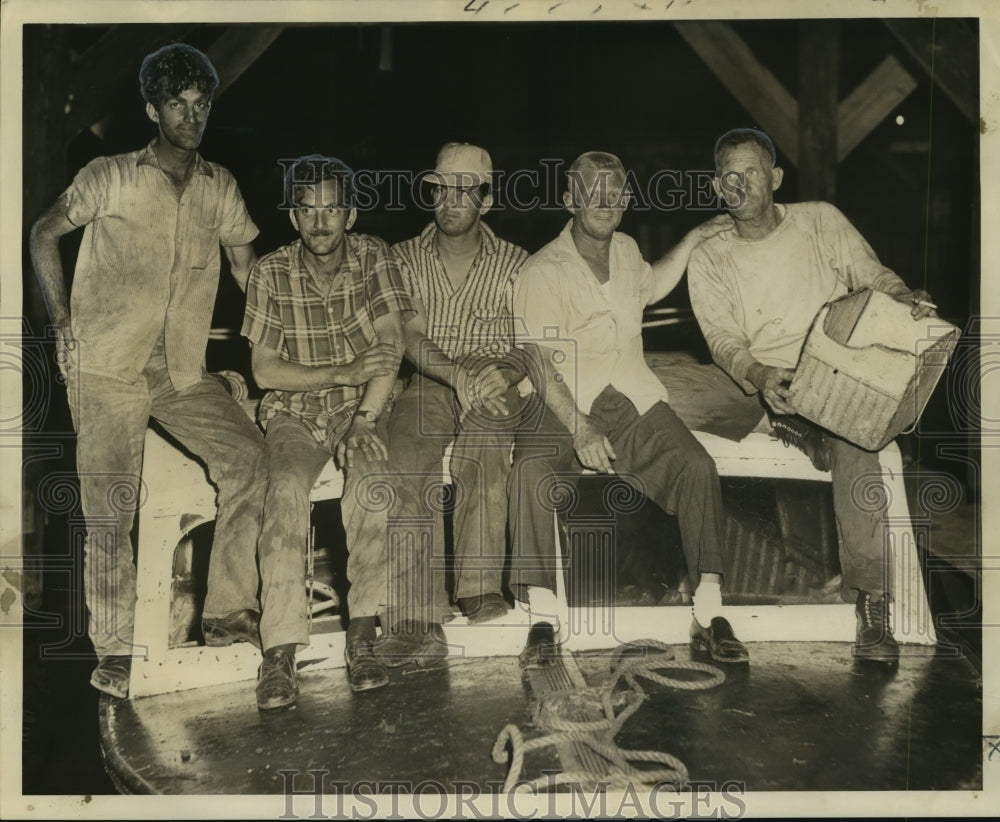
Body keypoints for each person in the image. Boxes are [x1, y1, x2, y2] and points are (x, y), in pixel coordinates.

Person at [29, 44, 267, 699]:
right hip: (106, 365)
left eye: (200, 104)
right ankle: (115, 650)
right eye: (176, 105)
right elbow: (43, 233)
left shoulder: (220, 187)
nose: (191, 117)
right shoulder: (109, 175)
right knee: (110, 511)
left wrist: (282, 347)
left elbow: (251, 272)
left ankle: (227, 616)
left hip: (182, 368)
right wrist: (63, 326)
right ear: (152, 110)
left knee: (250, 457)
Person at [687, 127, 937, 664]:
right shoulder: (708, 255)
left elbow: (875, 279)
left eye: (751, 171)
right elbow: (722, 340)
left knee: (860, 444)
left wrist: (905, 298)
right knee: (649, 389)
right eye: (729, 175)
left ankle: (871, 603)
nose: (740, 184)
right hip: (752, 382)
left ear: (774, 178)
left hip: (828, 379)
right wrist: (758, 373)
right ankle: (785, 423)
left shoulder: (819, 220)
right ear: (715, 187)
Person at [509, 151, 747, 667]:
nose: (605, 202)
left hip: (631, 394)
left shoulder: (627, 249)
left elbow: (652, 285)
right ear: (570, 199)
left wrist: (696, 236)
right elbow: (539, 365)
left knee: (696, 466)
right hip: (560, 400)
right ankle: (543, 620)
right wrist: (580, 428)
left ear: (626, 201)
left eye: (616, 192)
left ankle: (710, 612)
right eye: (593, 191)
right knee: (529, 471)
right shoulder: (541, 270)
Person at [242, 155, 413, 707]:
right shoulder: (269, 271)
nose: (320, 223)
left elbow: (391, 347)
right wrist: (339, 371)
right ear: (293, 217)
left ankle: (363, 639)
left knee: (369, 480)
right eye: (308, 210)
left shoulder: (375, 257)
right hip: (292, 411)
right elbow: (265, 371)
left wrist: (363, 418)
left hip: (357, 406)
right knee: (284, 491)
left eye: (333, 209)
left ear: (352, 213)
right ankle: (281, 654)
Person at [374, 142, 549, 667]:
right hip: (431, 379)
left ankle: (478, 588)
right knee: (408, 451)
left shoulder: (519, 263)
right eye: (439, 189)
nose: (448, 201)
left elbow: (532, 342)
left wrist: (506, 371)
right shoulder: (401, 256)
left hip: (494, 383)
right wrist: (458, 375)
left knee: (489, 441)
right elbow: (408, 333)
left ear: (486, 200)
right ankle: (414, 611)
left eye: (463, 191)